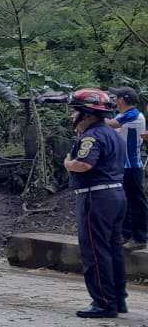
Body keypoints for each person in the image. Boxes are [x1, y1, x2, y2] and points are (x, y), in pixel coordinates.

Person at [65, 88, 126, 319]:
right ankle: (118, 299)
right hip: (116, 196)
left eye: (75, 112)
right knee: (113, 249)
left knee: (94, 251)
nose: (73, 117)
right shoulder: (112, 134)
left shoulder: (92, 136)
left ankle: (103, 302)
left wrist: (69, 164)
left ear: (87, 114)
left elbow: (84, 165)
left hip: (96, 197)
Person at [108, 87, 147, 249]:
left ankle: (140, 237)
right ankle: (126, 234)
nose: (114, 100)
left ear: (123, 99)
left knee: (136, 202)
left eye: (116, 97)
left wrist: (91, 114)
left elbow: (111, 124)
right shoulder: (123, 115)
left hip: (132, 166)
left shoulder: (134, 114)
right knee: (124, 202)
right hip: (122, 166)